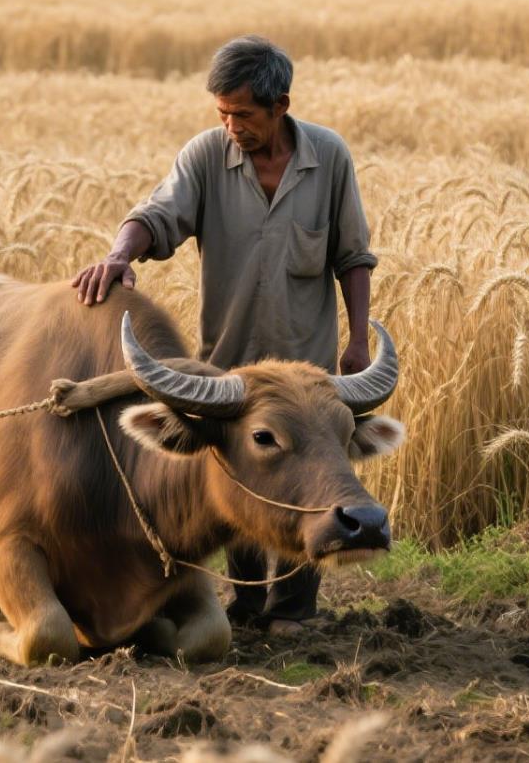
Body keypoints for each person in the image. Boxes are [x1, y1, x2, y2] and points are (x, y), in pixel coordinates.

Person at [72, 35, 377, 635]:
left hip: (306, 365)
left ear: (280, 106)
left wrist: (359, 342)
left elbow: (353, 256)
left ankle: (292, 610)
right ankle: (243, 604)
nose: (230, 125)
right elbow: (156, 214)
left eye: (243, 114)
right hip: (230, 364)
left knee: (310, 473)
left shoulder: (329, 158)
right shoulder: (207, 156)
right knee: (244, 476)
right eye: (222, 113)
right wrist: (119, 255)